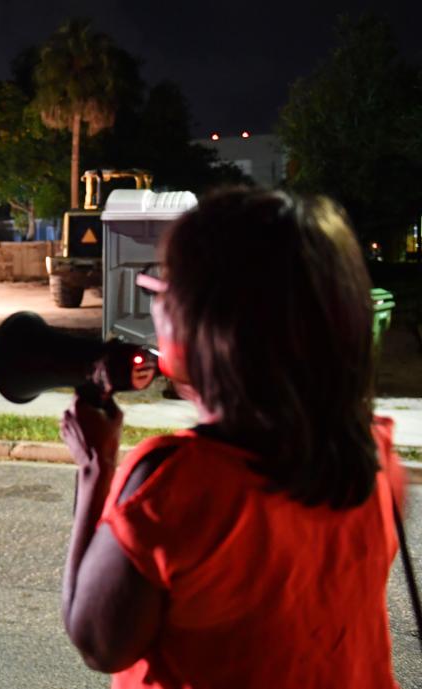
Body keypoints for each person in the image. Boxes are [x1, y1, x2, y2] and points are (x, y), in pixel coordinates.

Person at [59, 188, 406, 688]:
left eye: (164, 289)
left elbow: (98, 641)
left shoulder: (180, 481)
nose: (155, 305)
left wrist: (94, 470)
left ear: (206, 323)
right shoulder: (376, 454)